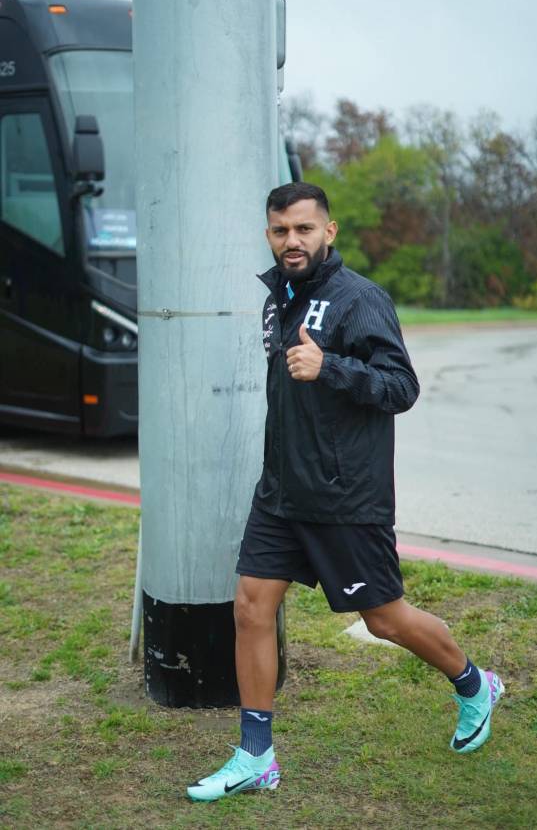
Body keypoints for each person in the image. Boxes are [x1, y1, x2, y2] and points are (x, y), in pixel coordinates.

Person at [187, 182, 504, 803]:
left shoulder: (360, 301)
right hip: (281, 491)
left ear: (329, 231)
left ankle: (473, 685)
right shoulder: (276, 301)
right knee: (251, 608)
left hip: (345, 497)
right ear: (269, 235)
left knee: (384, 620)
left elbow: (401, 388)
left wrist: (330, 367)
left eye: (304, 229)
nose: (291, 241)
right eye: (280, 231)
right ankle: (256, 758)